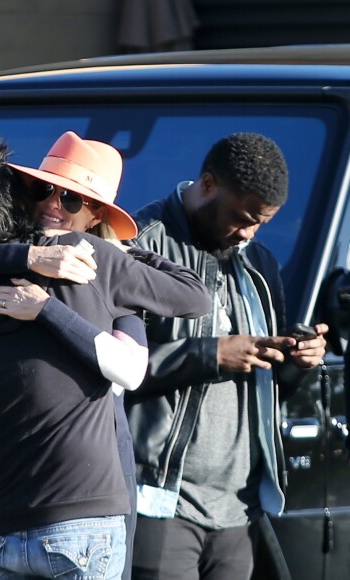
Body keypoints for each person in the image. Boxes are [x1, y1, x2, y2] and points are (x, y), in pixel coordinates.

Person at [0, 133, 211, 579]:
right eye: (43, 189)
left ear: (96, 214)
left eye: (73, 199)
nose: (55, 203)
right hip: (80, 518)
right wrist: (96, 254)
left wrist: (51, 303)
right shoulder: (99, 263)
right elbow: (195, 296)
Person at [125, 132, 329, 580]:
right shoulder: (141, 247)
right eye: (243, 218)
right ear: (208, 184)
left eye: (262, 222)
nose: (250, 232)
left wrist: (298, 360)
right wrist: (211, 354)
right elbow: (108, 364)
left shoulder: (260, 263)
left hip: (238, 510)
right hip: (159, 501)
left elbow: (270, 388)